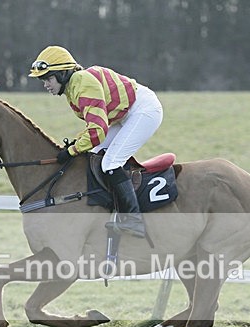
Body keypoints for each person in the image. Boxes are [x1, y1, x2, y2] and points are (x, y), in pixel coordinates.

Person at [29, 45, 163, 238]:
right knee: (94, 155)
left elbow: (97, 132)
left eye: (48, 79)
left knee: (110, 163)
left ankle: (133, 220)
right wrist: (77, 144)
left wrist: (72, 150)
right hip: (123, 113)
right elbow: (95, 127)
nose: (46, 85)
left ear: (63, 73)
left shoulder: (82, 84)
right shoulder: (73, 86)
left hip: (143, 110)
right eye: (43, 80)